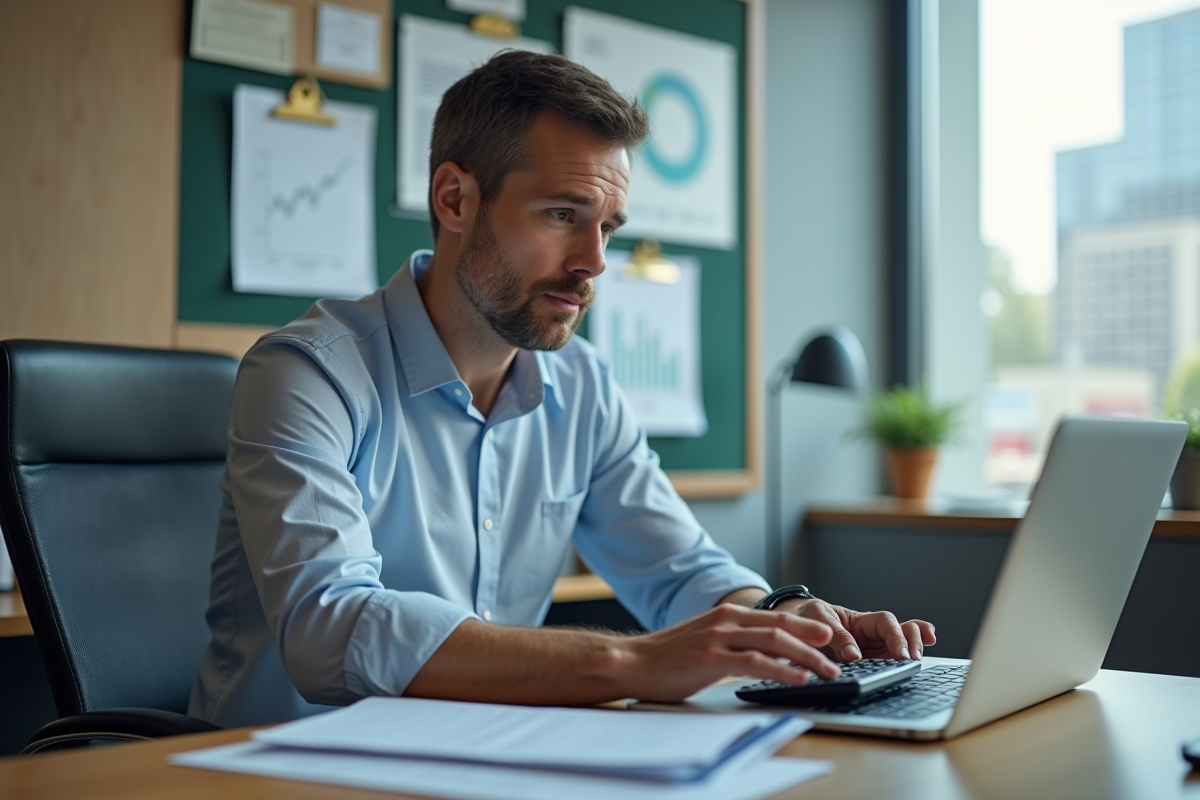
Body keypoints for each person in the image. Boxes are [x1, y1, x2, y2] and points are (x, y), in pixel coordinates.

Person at [189, 51, 935, 728]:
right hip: (285, 769)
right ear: (455, 200)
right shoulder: (307, 374)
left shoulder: (582, 385)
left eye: (608, 227)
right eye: (562, 216)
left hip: (482, 758)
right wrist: (632, 663)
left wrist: (785, 617)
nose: (594, 261)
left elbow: (680, 571)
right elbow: (332, 630)